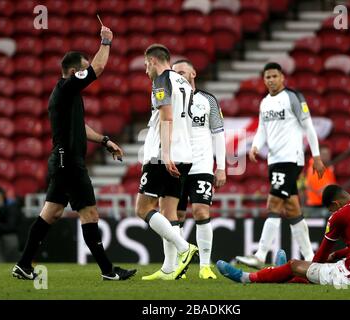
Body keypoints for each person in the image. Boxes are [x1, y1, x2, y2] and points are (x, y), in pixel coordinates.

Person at [12, 25, 137, 281]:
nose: (87, 70)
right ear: (73, 72)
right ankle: (108, 271)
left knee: (52, 212)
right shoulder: (66, 88)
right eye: (83, 68)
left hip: (61, 161)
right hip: (68, 161)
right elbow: (98, 69)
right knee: (89, 214)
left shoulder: (67, 95)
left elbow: (79, 126)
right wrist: (106, 41)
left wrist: (104, 140)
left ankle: (23, 265)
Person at [235, 62, 326, 268]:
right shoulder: (265, 102)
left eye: (275, 76)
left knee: (273, 205)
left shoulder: (293, 97)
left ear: (282, 77)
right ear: (264, 80)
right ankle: (311, 259)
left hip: (290, 159)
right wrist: (256, 146)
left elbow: (309, 127)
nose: (271, 80)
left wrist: (317, 156)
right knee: (293, 208)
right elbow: (262, 129)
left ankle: (260, 256)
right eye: (267, 77)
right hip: (274, 161)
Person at [218, 185, 350, 289]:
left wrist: (307, 266)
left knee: (295, 265)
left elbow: (319, 259)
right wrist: (337, 255)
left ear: (335, 204)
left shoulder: (341, 214)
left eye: (331, 209)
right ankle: (279, 273)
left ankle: (247, 277)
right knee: (312, 270)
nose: (332, 213)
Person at [136, 45, 198, 281]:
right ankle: (171, 269)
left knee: (142, 209)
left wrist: (167, 154)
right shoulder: (183, 82)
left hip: (162, 155)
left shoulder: (162, 80)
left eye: (145, 65)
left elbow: (166, 117)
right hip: (185, 154)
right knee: (169, 211)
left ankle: (184, 248)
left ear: (152, 60)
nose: (145, 71)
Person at [170, 59, 226, 280]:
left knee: (201, 211)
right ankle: (177, 267)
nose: (178, 76)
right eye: (175, 74)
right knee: (177, 214)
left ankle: (204, 266)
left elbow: (218, 133)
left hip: (202, 164)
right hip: (178, 164)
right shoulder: (171, 101)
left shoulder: (208, 100)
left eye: (182, 72)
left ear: (193, 73)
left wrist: (220, 167)